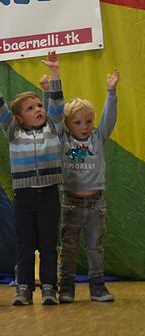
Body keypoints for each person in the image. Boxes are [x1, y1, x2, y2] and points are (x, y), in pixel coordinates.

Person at [0, 51, 65, 306]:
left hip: (49, 194)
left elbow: (56, 104)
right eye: (31, 108)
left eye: (39, 106)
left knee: (48, 244)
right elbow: (2, 112)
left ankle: (49, 288)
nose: (39, 110)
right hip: (24, 197)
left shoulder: (52, 128)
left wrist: (55, 73)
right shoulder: (14, 133)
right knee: (25, 245)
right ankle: (23, 288)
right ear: (20, 118)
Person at [56, 69, 119, 303]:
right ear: (68, 124)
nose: (84, 126)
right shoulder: (63, 138)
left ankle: (97, 286)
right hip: (70, 202)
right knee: (68, 247)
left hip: (95, 204)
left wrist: (111, 92)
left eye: (88, 121)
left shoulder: (98, 138)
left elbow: (109, 118)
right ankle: (66, 287)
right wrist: (51, 85)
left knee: (95, 248)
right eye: (78, 122)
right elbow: (55, 114)